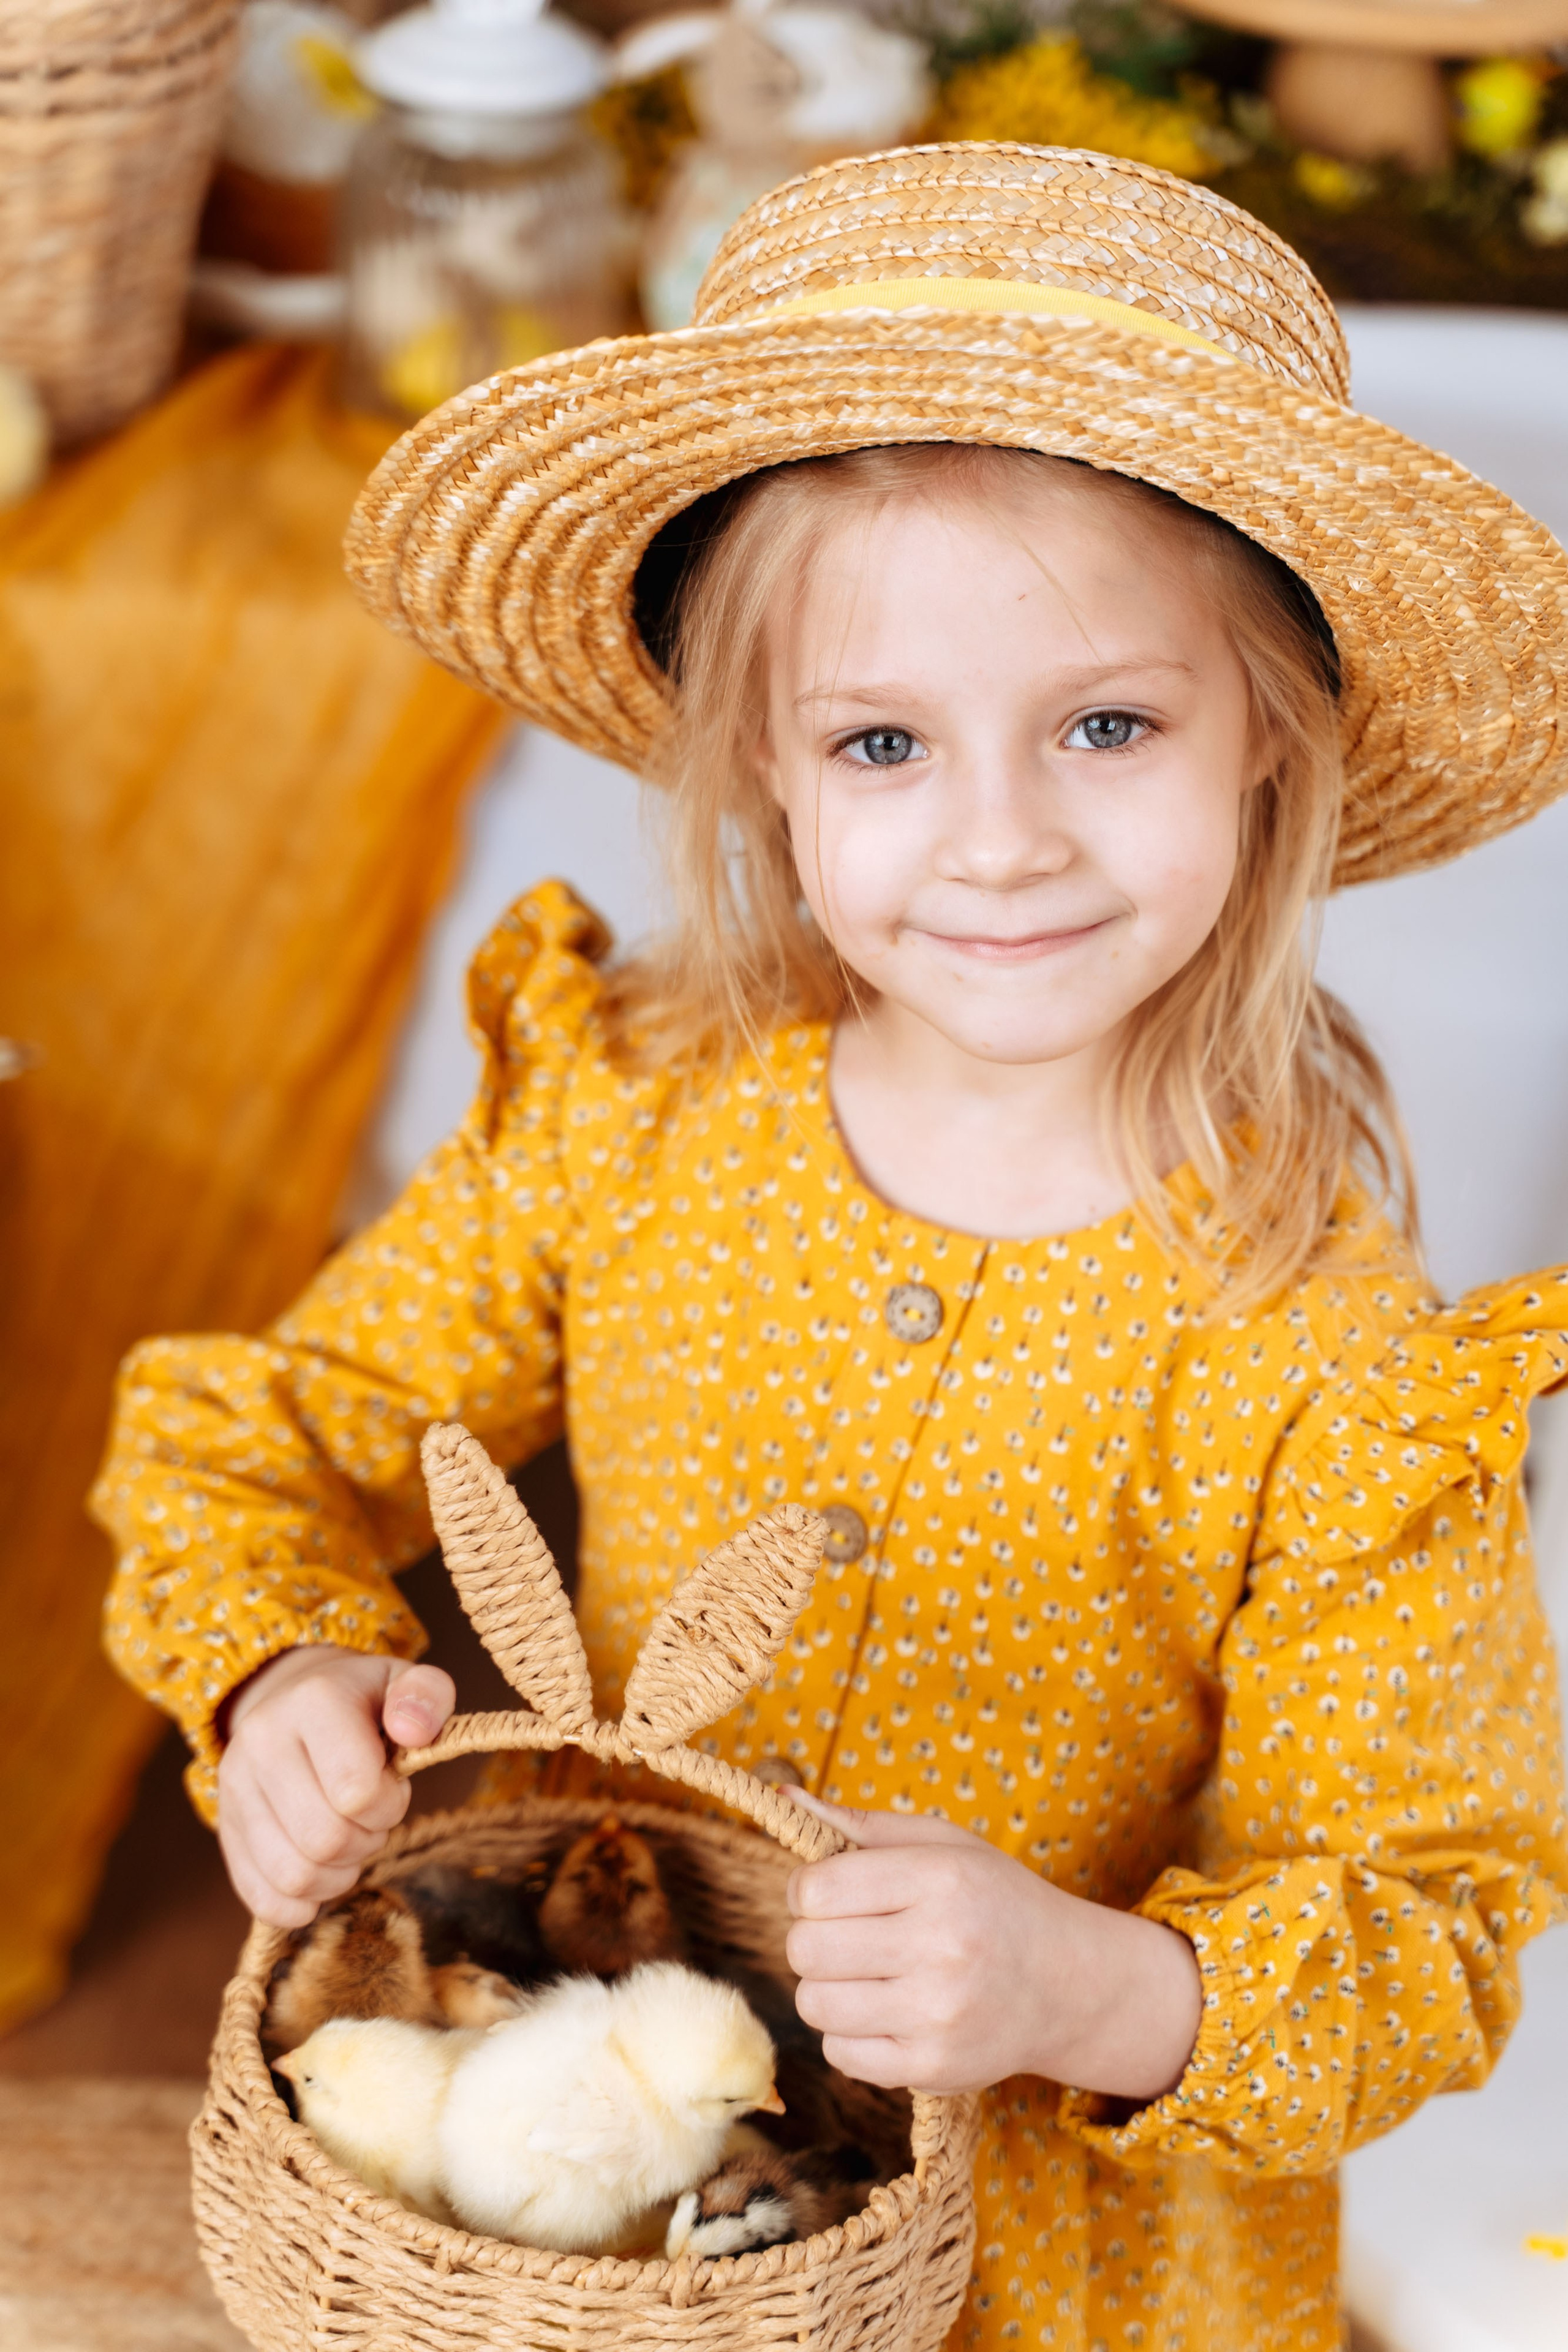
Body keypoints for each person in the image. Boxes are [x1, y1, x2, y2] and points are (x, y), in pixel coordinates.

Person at [94, 144, 1568, 2349]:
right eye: (885, 739)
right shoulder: (637, 1111)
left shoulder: (1334, 1360)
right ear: (767, 774)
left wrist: (1094, 1980)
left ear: (1272, 735)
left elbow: (1431, 1923)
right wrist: (281, 1674)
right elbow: (259, 1437)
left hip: (1061, 2276)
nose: (999, 836)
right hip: (594, 2170)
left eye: (1107, 724)